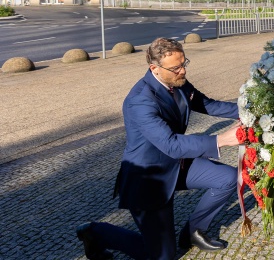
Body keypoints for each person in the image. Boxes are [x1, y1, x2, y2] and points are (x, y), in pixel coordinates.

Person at [76, 37, 241, 260]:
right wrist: (220, 139)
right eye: (176, 68)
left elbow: (207, 104)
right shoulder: (140, 101)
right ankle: (95, 233)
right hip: (149, 179)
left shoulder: (177, 82)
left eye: (184, 64)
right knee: (163, 257)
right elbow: (171, 144)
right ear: (154, 68)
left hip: (175, 165)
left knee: (229, 178)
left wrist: (249, 110)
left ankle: (193, 232)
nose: (182, 71)